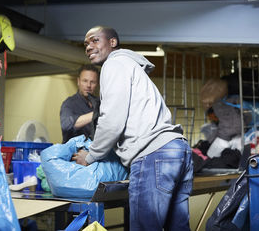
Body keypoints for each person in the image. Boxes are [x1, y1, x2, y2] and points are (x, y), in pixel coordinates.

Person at [72, 26, 193, 230]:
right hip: (177, 150)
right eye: (85, 44)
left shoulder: (114, 64)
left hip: (153, 155)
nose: (88, 46)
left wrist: (91, 156)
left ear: (112, 42)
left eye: (94, 40)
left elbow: (111, 120)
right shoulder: (131, 67)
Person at [60, 64, 100, 143]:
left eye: (92, 82)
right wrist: (98, 113)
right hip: (74, 153)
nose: (88, 85)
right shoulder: (69, 103)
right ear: (78, 81)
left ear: (97, 84)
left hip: (94, 152)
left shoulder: (100, 103)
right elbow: (66, 125)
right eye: (85, 81)